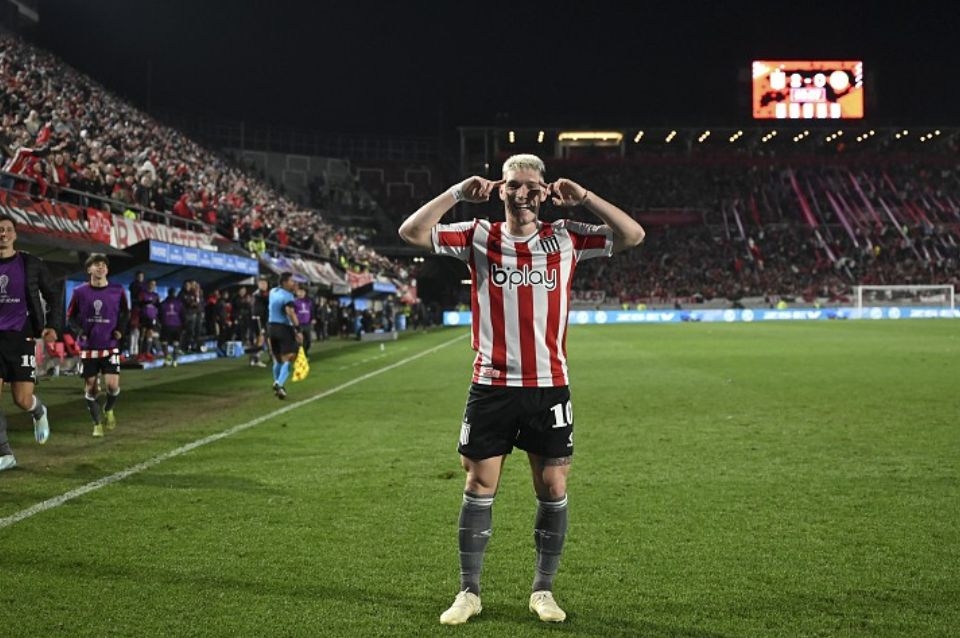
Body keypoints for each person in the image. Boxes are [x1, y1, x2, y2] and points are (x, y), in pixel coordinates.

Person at [398, 154, 645, 624]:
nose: (523, 193)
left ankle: (543, 591)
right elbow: (411, 232)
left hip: (549, 386)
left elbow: (633, 235)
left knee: (553, 486)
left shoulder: (566, 236)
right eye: (514, 184)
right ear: (501, 189)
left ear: (545, 191)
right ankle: (469, 592)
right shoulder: (478, 234)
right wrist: (458, 193)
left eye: (532, 186)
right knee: (478, 484)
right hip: (491, 385)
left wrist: (585, 197)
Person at [0, 214, 62, 471]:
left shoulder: (31, 264)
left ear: (15, 235)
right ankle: (5, 453)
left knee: (22, 399)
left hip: (21, 337)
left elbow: (53, 294)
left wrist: (52, 326)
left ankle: (38, 411)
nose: (3, 234)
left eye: (7, 229)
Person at [66, 254, 129, 437]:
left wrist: (120, 330)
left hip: (110, 346)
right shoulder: (79, 291)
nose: (100, 268)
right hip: (89, 348)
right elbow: (70, 316)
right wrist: (80, 331)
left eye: (103, 265)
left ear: (107, 270)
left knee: (112, 386)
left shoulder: (118, 290)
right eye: (96, 265)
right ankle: (96, 424)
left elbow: (125, 313)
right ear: (89, 269)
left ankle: (108, 409)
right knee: (92, 389)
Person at [267, 272, 303, 399]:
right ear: (284, 282)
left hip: (271, 328)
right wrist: (298, 330)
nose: (294, 283)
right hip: (283, 329)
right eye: (292, 281)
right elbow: (290, 313)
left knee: (277, 359)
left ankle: (279, 389)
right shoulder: (288, 296)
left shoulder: (272, 291)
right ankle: (279, 383)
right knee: (289, 357)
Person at [293, 285, 315, 353]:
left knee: (308, 341)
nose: (301, 293)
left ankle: (305, 351)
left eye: (302, 292)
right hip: (298, 324)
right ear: (296, 292)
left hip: (307, 324)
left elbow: (312, 311)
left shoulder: (309, 302)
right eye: (299, 291)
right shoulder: (294, 302)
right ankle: (300, 354)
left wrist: (313, 318)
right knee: (300, 341)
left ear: (305, 293)